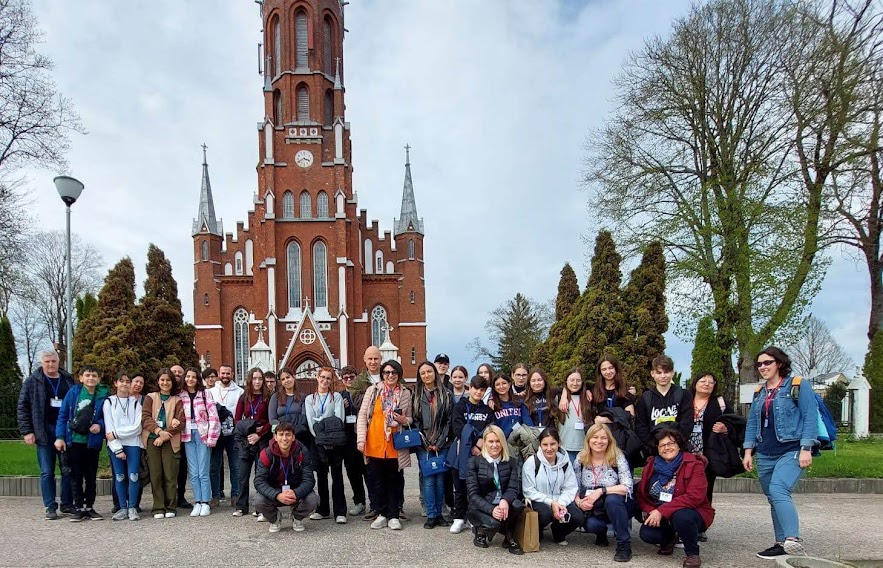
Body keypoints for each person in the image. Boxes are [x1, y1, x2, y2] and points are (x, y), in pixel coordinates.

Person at [744, 347, 818, 560]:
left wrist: (806, 447)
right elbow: (752, 423)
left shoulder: (797, 385)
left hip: (791, 448)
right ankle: (780, 543)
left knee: (779, 489)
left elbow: (809, 417)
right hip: (765, 452)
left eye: (767, 362)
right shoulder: (760, 392)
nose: (762, 367)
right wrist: (748, 451)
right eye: (759, 364)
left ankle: (793, 539)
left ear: (779, 363)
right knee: (773, 497)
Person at [637, 428, 714, 568]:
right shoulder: (651, 464)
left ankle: (692, 554)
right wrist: (650, 511)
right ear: (658, 449)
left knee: (681, 516)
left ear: (679, 445)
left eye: (671, 443)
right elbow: (642, 493)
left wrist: (661, 511)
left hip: (691, 512)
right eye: (662, 445)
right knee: (647, 534)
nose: (666, 447)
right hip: (660, 511)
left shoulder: (693, 464)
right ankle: (670, 538)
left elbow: (695, 496)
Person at [17, 350, 75, 520]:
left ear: (58, 362)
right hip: (44, 431)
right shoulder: (32, 382)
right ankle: (50, 506)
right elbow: (23, 407)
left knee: (67, 470)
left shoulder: (67, 380)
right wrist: (27, 431)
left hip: (65, 431)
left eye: (53, 361)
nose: (51, 364)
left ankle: (66, 504)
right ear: (42, 363)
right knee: (47, 471)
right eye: (47, 361)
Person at [356, 359, 413, 531]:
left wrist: (404, 420)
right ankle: (381, 513)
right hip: (374, 442)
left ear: (399, 375)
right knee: (377, 481)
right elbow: (363, 416)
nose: (390, 375)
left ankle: (394, 514)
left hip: (395, 444)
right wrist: (361, 439)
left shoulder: (405, 393)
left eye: (394, 373)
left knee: (395, 480)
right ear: (382, 374)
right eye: (387, 372)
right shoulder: (372, 391)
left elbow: (410, 418)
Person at [573, 423, 635, 562]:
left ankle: (624, 545)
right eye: (595, 437)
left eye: (603, 438)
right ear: (588, 440)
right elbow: (574, 487)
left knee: (612, 500)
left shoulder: (617, 456)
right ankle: (601, 534)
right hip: (595, 507)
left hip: (620, 505)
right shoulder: (580, 459)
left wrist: (601, 491)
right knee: (591, 525)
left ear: (609, 440)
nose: (599, 441)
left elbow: (627, 486)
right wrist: (579, 502)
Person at [54, 365, 109, 522]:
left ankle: (90, 507)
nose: (90, 378)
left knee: (91, 476)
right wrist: (60, 436)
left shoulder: (102, 396)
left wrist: (100, 425)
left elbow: (108, 417)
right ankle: (78, 507)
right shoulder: (74, 393)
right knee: (76, 475)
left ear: (98, 378)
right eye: (87, 375)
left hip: (92, 442)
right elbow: (63, 415)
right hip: (75, 441)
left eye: (94, 375)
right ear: (81, 378)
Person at [465, 425, 524, 554]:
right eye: (491, 441)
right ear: (484, 442)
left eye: (498, 441)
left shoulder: (512, 462)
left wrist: (505, 500)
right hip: (482, 506)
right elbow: (473, 494)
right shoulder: (474, 462)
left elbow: (513, 488)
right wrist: (492, 510)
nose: (495, 445)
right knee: (494, 524)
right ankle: (480, 531)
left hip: (502, 504)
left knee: (518, 505)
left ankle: (509, 536)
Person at [253, 422, 320, 533]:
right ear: (275, 437)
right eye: (281, 434)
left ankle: (297, 517)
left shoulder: (302, 451)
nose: (284, 438)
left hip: (295, 491)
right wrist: (277, 495)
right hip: (275, 491)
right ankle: (275, 518)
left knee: (313, 499)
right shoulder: (266, 453)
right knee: (258, 500)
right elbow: (259, 481)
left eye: (288, 435)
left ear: (293, 437)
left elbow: (309, 479)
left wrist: (296, 493)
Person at [448, 375, 494, 534]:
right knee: (459, 487)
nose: (478, 392)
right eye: (476, 388)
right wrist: (475, 443)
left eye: (482, 390)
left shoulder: (487, 410)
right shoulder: (460, 407)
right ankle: (458, 518)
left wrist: (481, 443)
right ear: (470, 388)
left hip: (479, 455)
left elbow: (490, 429)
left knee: (476, 488)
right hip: (461, 454)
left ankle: (473, 517)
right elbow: (458, 429)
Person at [522, 427, 582, 545]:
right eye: (545, 444)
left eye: (552, 444)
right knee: (545, 514)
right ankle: (538, 532)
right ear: (540, 445)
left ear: (558, 443)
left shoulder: (565, 462)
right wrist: (551, 503)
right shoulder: (531, 462)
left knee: (578, 517)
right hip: (539, 501)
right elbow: (528, 491)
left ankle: (558, 532)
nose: (549, 448)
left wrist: (561, 504)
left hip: (560, 500)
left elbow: (570, 487)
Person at [412, 361, 454, 529]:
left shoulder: (447, 394)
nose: (426, 375)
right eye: (423, 373)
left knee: (440, 480)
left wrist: (439, 441)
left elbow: (449, 422)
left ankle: (440, 514)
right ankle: (431, 515)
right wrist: (426, 442)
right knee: (428, 480)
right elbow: (415, 421)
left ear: (435, 373)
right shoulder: (416, 395)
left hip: (442, 443)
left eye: (429, 371)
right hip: (423, 445)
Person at [305, 366, 347, 524]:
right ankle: (323, 510)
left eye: (328, 378)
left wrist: (322, 425)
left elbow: (339, 419)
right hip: (318, 443)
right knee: (321, 477)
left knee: (337, 476)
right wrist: (321, 437)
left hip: (335, 443)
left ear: (331, 380)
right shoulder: (310, 399)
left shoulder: (335, 397)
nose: (325, 380)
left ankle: (340, 512)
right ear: (317, 377)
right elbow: (311, 421)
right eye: (322, 377)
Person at [142, 369, 185, 519]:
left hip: (170, 442)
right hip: (152, 440)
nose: (165, 383)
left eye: (168, 380)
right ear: (158, 381)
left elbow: (180, 422)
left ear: (172, 382)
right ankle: (158, 507)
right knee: (156, 474)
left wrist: (165, 436)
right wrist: (159, 432)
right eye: (162, 380)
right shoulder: (150, 397)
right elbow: (146, 417)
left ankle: (171, 506)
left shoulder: (177, 400)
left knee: (170, 474)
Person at [688, 372, 731, 508]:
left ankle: (702, 519)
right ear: (695, 383)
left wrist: (726, 428)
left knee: (705, 487)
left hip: (709, 452)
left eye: (711, 382)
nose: (707, 384)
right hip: (686, 450)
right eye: (703, 381)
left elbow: (733, 422)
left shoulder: (719, 402)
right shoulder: (685, 400)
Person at [181, 367, 220, 517]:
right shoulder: (181, 395)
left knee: (203, 471)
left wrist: (211, 437)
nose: (190, 379)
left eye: (193, 377)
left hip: (202, 434)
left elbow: (213, 417)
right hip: (187, 435)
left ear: (197, 379)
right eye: (188, 376)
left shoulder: (205, 394)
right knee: (194, 471)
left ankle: (205, 502)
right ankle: (197, 501)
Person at [103, 373, 143, 521]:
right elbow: (109, 429)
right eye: (122, 381)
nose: (125, 384)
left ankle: (132, 507)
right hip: (116, 447)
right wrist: (117, 448)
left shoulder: (135, 403)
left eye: (127, 382)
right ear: (115, 383)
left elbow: (137, 428)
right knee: (119, 477)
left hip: (133, 444)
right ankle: (122, 508)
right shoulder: (109, 402)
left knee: (133, 476)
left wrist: (117, 434)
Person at [233, 367, 271, 517]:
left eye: (260, 379)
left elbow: (271, 421)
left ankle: (260, 507)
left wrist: (259, 434)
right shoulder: (244, 397)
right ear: (250, 379)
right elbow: (237, 419)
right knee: (243, 474)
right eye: (254, 378)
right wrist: (248, 432)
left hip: (262, 440)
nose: (257, 381)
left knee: (260, 474)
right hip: (246, 440)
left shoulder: (268, 397)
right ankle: (241, 506)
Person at [635, 355, 693, 453]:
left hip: (679, 449)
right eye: (659, 372)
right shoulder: (645, 398)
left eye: (666, 372)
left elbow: (687, 423)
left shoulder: (684, 394)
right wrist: (657, 445)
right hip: (654, 451)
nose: (663, 376)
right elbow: (641, 426)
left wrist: (673, 443)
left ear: (672, 373)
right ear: (652, 373)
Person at [351, 346, 383, 521]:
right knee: (370, 472)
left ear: (380, 359)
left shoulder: (389, 374)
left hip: (386, 432)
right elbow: (356, 402)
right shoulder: (358, 381)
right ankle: (375, 506)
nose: (373, 362)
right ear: (365, 359)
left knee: (392, 471)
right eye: (370, 359)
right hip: (368, 432)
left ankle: (396, 506)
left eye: (376, 359)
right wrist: (376, 393)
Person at [208, 364, 243, 508]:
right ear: (218, 375)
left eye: (228, 373)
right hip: (215, 432)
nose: (225, 376)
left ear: (232, 374)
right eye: (223, 373)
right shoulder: (210, 391)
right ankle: (215, 495)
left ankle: (235, 495)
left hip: (232, 433)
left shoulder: (240, 392)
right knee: (214, 466)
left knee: (235, 466)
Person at [339, 366, 368, 517]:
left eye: (352, 377)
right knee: (353, 473)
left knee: (368, 472)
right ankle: (359, 502)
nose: (349, 380)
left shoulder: (363, 393)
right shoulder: (339, 396)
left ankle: (375, 502)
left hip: (364, 438)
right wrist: (341, 408)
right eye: (346, 378)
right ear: (342, 380)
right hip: (348, 440)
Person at [555, 368, 594, 463]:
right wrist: (564, 393)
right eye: (571, 380)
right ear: (566, 381)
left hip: (585, 447)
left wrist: (588, 390)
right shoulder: (559, 397)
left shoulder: (588, 397)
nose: (575, 383)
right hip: (565, 446)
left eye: (578, 380)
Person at [169, 364, 192, 510]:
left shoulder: (185, 393)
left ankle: (181, 496)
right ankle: (169, 497)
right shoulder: (165, 391)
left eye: (180, 372)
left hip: (183, 435)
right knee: (168, 468)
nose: (177, 374)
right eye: (174, 372)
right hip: (167, 435)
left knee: (182, 468)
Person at [490, 373, 533, 438]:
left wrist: (532, 435)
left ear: (509, 384)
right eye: (497, 384)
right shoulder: (492, 404)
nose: (501, 386)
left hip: (519, 441)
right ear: (494, 387)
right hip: (501, 441)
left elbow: (528, 423)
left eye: (504, 383)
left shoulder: (519, 402)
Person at [130, 374, 147, 511]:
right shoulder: (121, 398)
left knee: (139, 472)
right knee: (121, 472)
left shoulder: (144, 400)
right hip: (121, 440)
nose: (138, 385)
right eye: (136, 381)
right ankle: (119, 503)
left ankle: (135, 503)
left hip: (140, 440)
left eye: (141, 383)